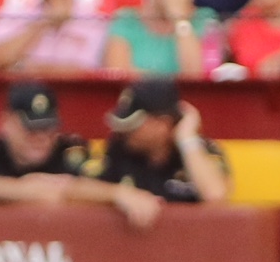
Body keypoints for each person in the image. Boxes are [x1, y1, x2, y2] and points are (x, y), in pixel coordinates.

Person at [0, 81, 159, 225]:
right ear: (6, 123)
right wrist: (29, 191)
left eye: (48, 127)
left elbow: (80, 190)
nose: (41, 136)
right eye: (31, 127)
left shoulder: (71, 150)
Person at [83, 77, 232, 204]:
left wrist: (187, 140)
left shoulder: (202, 151)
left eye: (133, 125)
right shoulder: (119, 147)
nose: (124, 131)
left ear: (163, 124)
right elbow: (73, 188)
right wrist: (116, 194)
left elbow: (215, 197)